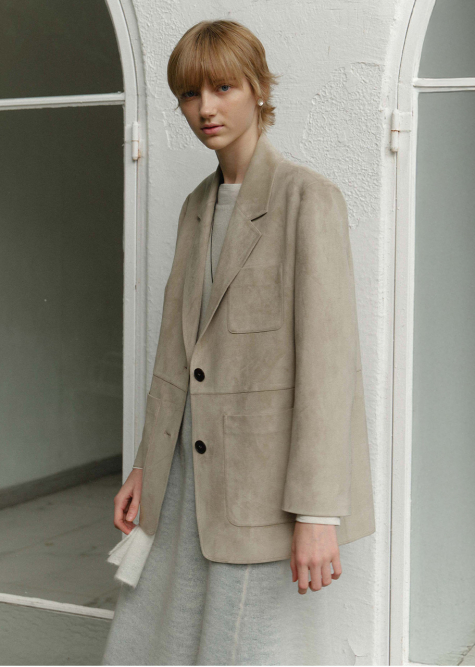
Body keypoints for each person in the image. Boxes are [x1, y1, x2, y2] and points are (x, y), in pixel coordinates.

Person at [102, 19, 375, 666]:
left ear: (258, 89)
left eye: (223, 87)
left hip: (261, 483)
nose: (206, 108)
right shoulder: (196, 207)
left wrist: (317, 512)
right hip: (182, 477)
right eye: (190, 94)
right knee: (152, 640)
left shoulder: (307, 200)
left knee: (239, 649)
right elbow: (176, 352)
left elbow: (328, 367)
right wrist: (145, 464)